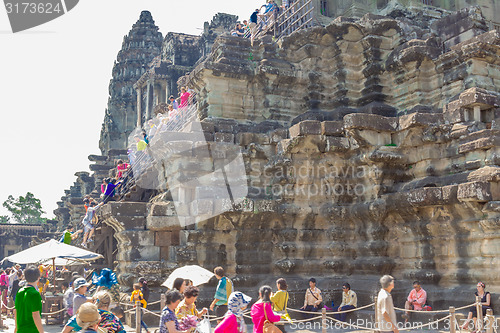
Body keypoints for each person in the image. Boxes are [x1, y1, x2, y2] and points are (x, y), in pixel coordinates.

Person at [14, 265, 44, 333]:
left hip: (20, 330)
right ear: (38, 277)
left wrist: (16, 329)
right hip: (32, 330)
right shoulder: (35, 293)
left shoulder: (20, 291)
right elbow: (36, 314)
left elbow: (15, 311)